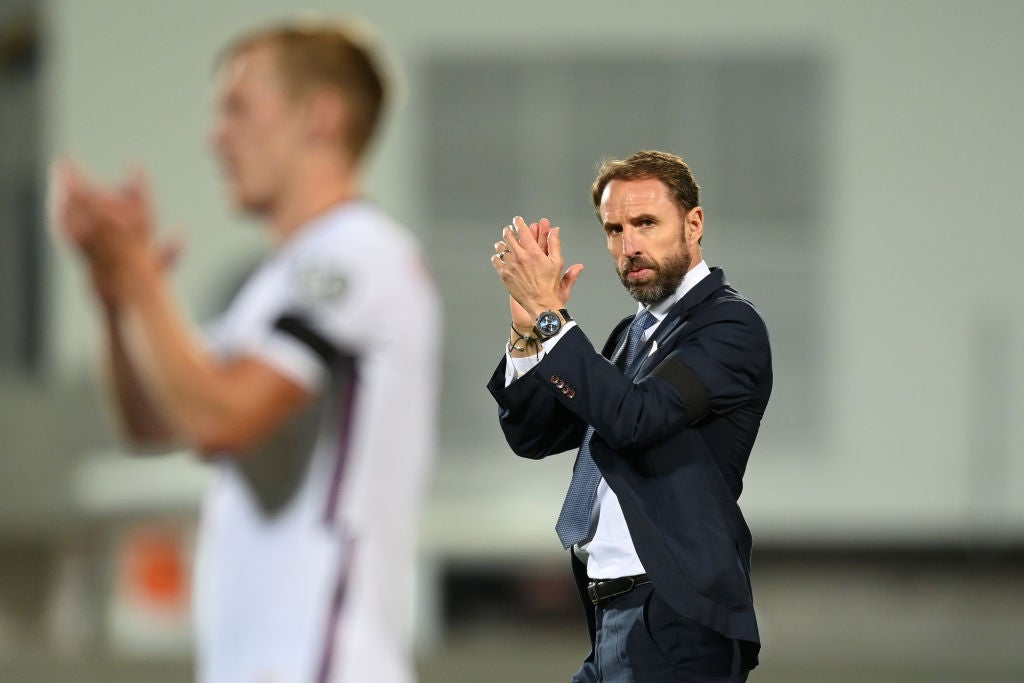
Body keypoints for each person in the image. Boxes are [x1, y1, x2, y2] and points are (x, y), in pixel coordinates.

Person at [52, 21, 441, 683]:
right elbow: (155, 422)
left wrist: (145, 281)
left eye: (238, 107)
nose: (216, 135)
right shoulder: (280, 280)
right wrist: (119, 299)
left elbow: (219, 418)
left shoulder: (356, 255)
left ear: (319, 116)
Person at [486, 150, 772, 682]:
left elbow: (636, 419)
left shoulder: (729, 327)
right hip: (614, 616)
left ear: (693, 223)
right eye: (614, 229)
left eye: (645, 223)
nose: (629, 245)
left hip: (675, 618)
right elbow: (535, 434)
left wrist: (554, 319)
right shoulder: (632, 335)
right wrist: (528, 333)